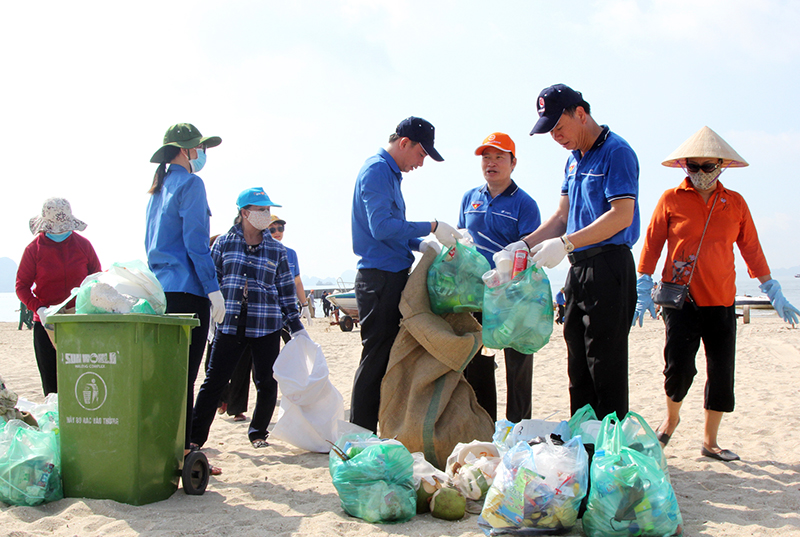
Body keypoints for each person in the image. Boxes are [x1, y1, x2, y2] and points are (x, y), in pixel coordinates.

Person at [634, 126, 800, 462]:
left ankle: (710, 442)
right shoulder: (670, 199)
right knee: (678, 367)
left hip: (722, 301)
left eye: (707, 167)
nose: (700, 174)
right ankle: (671, 419)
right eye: (693, 167)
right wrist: (642, 286)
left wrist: (772, 288)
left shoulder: (735, 203)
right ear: (685, 167)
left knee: (721, 372)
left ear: (721, 166)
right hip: (681, 302)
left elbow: (751, 249)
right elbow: (651, 244)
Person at [504, 84, 640, 420]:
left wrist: (566, 244)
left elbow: (622, 215)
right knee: (578, 365)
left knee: (604, 367)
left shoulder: (616, 152)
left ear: (580, 113)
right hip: (578, 270)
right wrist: (524, 245)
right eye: (549, 132)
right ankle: (584, 448)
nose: (556, 137)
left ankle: (608, 454)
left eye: (559, 128)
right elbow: (561, 217)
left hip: (609, 265)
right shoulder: (572, 161)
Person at [350, 116, 461, 433]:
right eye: (421, 154)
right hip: (379, 278)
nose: (421, 163)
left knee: (385, 357)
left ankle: (371, 431)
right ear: (404, 143)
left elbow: (391, 232)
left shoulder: (390, 174)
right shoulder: (377, 171)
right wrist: (432, 227)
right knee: (375, 358)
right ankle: (359, 434)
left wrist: (421, 243)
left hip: (391, 273)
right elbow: (381, 227)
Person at [191, 187, 308, 452]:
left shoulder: (276, 250)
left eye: (268, 210)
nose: (266, 215)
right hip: (230, 323)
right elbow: (212, 279)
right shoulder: (223, 243)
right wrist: (209, 311)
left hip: (266, 323)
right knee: (214, 382)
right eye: (261, 210)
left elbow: (285, 290)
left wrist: (296, 326)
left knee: (266, 381)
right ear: (245, 213)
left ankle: (258, 433)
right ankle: (195, 438)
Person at [145, 123, 227, 459]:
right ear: (186, 150)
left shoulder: (158, 189)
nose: (202, 154)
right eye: (200, 148)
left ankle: (160, 449)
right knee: (183, 380)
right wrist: (213, 289)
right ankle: (182, 451)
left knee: (164, 378)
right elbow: (196, 244)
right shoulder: (192, 183)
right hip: (188, 292)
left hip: (159, 292)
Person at [457, 132, 541, 423]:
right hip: (477, 296)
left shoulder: (525, 204)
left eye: (499, 157)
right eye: (486, 157)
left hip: (514, 299)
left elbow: (531, 251)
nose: (491, 163)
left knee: (518, 366)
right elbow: (462, 242)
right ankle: (485, 427)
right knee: (478, 365)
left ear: (513, 162)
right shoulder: (470, 198)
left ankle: (519, 428)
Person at [16, 198, 101, 395]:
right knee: (52, 387)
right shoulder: (33, 250)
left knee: (82, 380)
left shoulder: (83, 245)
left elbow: (96, 278)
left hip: (79, 322)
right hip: (46, 324)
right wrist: (39, 308)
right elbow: (21, 286)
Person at [268, 215, 311, 329]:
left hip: (288, 307)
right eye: (272, 230)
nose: (277, 232)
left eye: (280, 228)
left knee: (293, 341)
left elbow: (297, 281)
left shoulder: (291, 254)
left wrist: (304, 304)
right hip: (269, 308)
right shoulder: (262, 253)